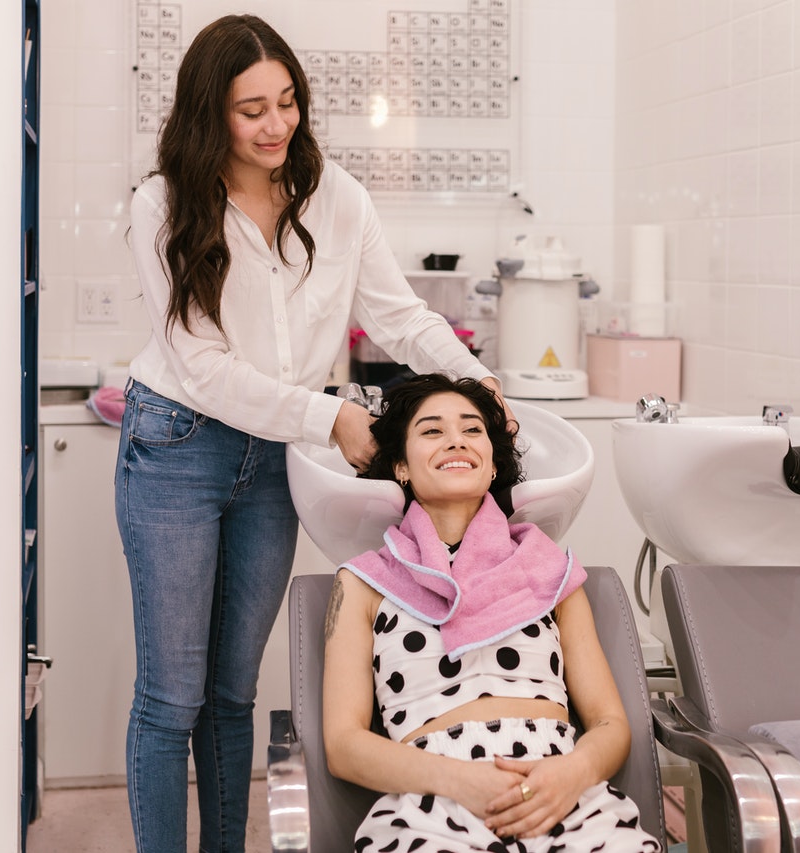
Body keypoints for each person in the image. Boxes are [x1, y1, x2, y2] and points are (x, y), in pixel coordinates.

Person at [116, 15, 510, 853]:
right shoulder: (162, 205)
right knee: (171, 694)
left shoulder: (337, 197)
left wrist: (474, 378)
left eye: (287, 102)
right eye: (250, 109)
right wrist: (332, 415)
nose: (275, 125)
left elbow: (397, 316)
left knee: (231, 690)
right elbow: (203, 369)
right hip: (178, 444)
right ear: (207, 114)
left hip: (275, 460)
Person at [322, 374, 663, 852]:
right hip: (432, 801)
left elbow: (610, 721)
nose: (456, 439)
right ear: (400, 466)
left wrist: (572, 772)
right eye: (432, 431)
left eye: (472, 429)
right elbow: (343, 744)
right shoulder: (363, 582)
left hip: (561, 789)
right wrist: (461, 781)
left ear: (492, 462)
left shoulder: (550, 574)